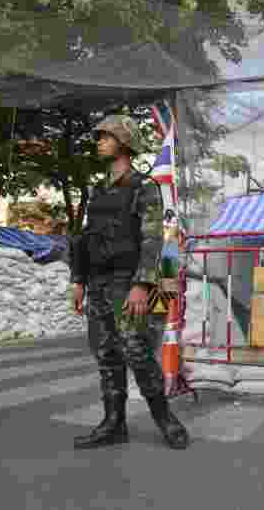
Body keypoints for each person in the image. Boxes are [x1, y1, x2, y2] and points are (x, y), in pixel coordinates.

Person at [69, 114, 190, 450]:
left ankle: (165, 418)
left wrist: (142, 284)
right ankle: (113, 424)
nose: (99, 142)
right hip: (98, 284)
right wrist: (78, 280)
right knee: (106, 356)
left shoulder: (143, 187)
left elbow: (153, 239)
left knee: (137, 353)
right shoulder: (96, 190)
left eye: (106, 137)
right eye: (100, 137)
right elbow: (84, 239)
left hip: (127, 283)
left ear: (124, 142)